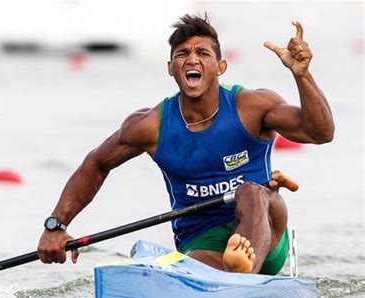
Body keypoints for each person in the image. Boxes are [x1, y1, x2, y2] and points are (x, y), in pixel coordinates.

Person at [37, 14, 334, 274]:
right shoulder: (151, 126)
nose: (192, 59)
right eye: (182, 53)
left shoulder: (252, 107)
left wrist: (302, 75)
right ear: (170, 67)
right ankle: (228, 272)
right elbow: (97, 163)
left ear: (221, 66)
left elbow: (320, 133)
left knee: (252, 192)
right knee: (190, 262)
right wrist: (56, 226)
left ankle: (241, 273)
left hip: (266, 231)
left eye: (202, 53)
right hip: (203, 243)